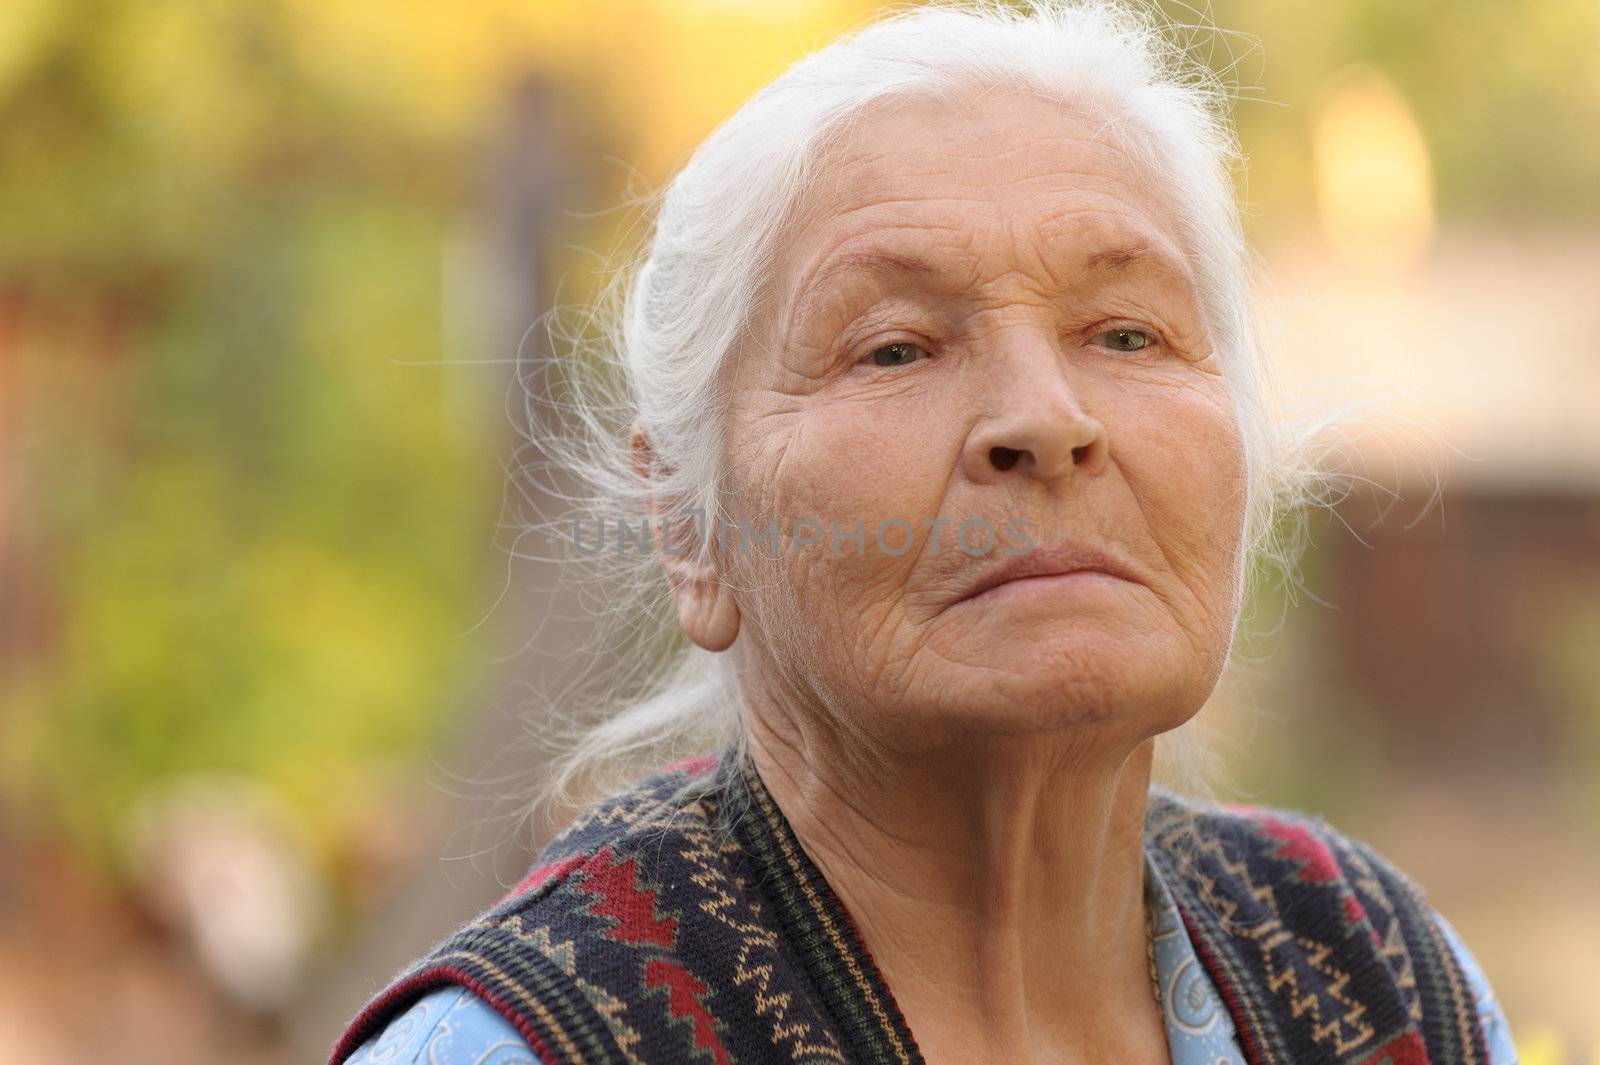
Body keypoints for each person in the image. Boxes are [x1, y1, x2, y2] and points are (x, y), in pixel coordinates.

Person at [329, 2, 1518, 1062]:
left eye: (1126, 334)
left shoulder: (1374, 978)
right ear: (690, 526)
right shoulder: (527, 1043)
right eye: (894, 348)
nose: (1045, 422)